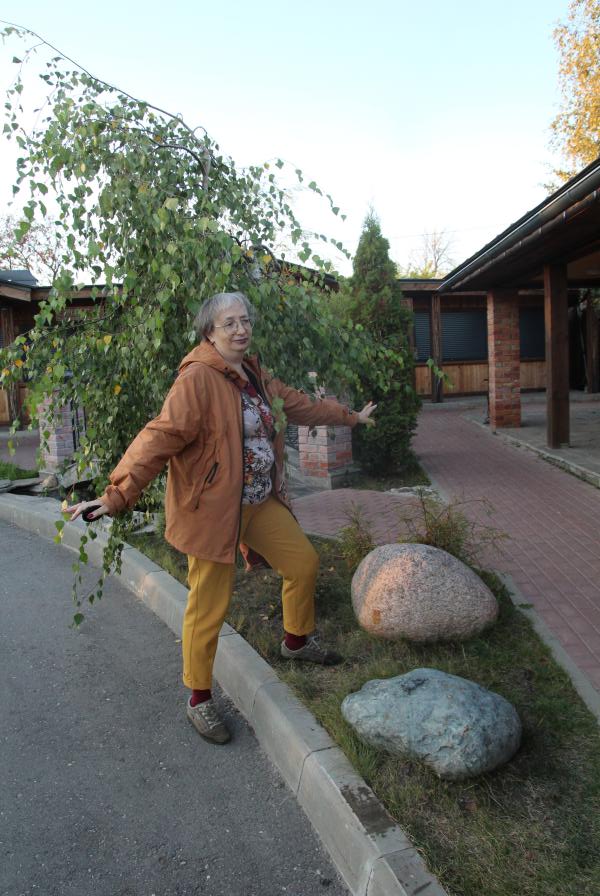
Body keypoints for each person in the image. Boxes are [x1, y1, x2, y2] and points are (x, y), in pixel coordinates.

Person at [67, 291, 376, 744]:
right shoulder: (197, 379)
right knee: (208, 606)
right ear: (209, 332)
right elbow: (159, 437)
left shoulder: (253, 375)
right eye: (229, 323)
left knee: (303, 563)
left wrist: (350, 417)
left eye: (245, 320)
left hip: (257, 504)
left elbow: (298, 404)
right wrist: (117, 494)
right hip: (213, 511)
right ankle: (199, 698)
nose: (241, 329)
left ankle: (296, 641)